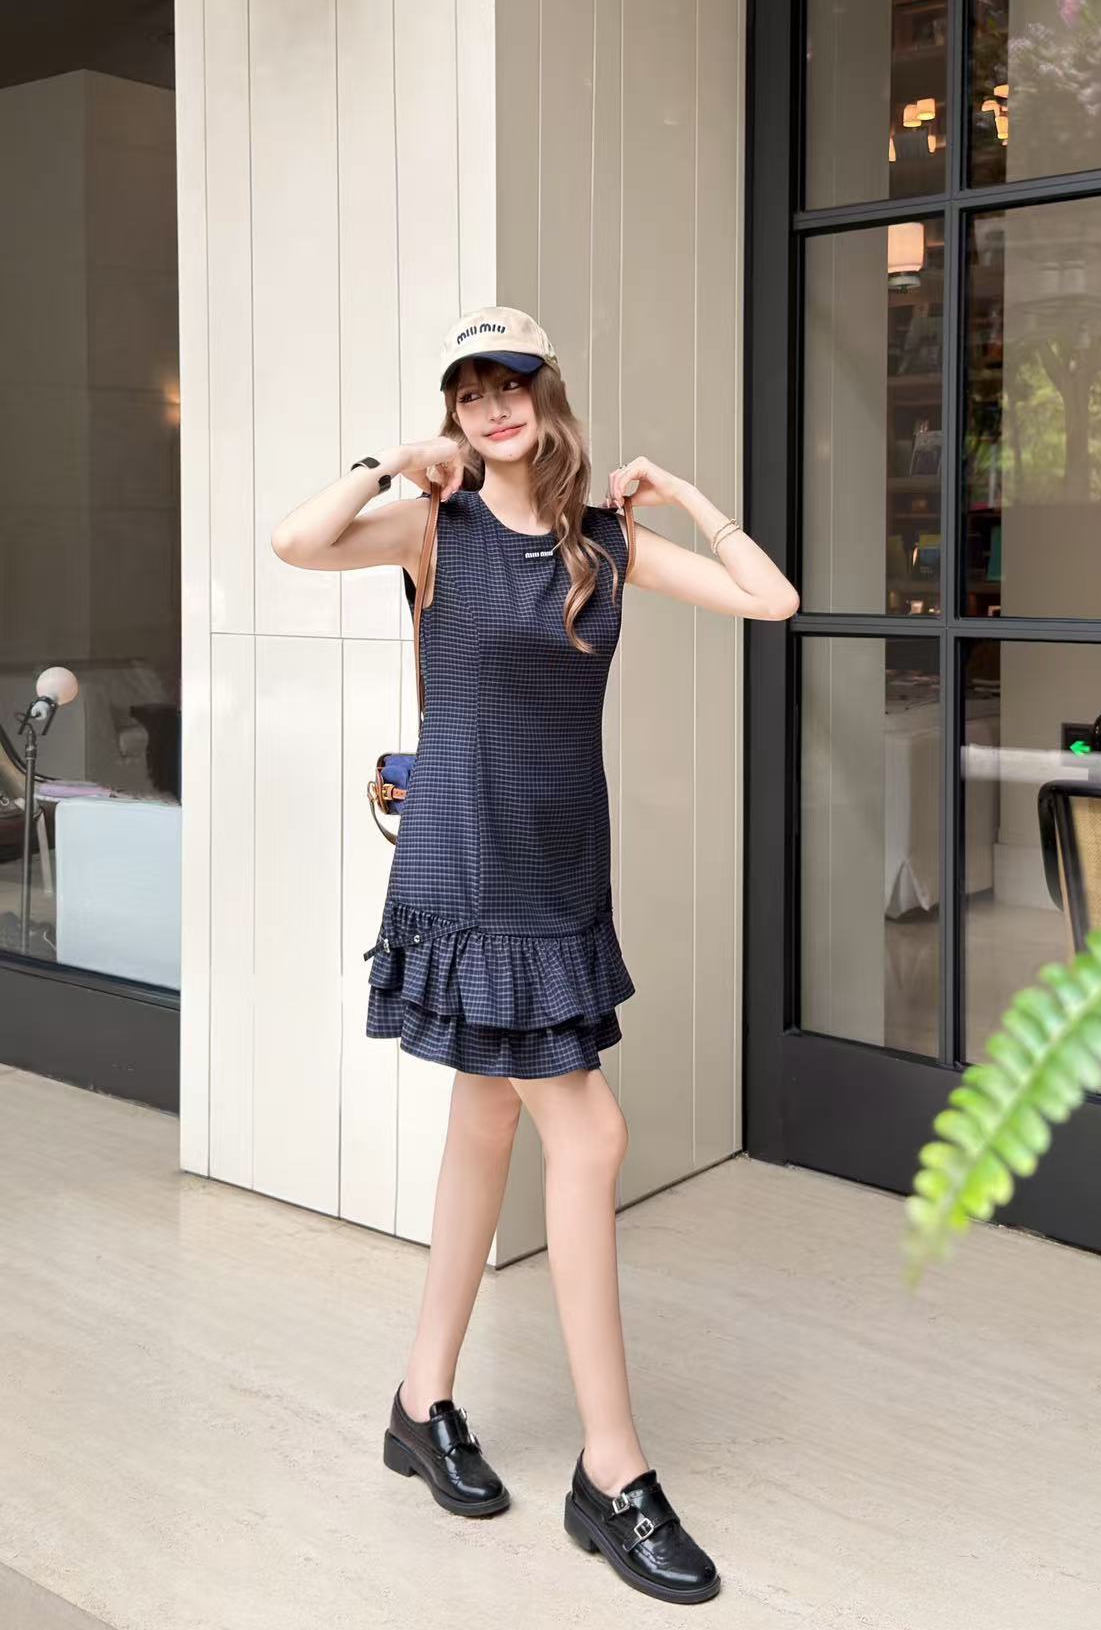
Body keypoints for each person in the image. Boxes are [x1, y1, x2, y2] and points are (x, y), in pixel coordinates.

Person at [270, 305, 799, 1605]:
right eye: (470, 392)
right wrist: (390, 461)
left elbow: (770, 598)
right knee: (591, 1134)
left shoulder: (604, 542)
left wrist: (683, 495)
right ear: (455, 413)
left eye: (510, 384)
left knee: (487, 1124)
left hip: (561, 862)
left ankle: (420, 1403)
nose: (493, 407)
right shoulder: (432, 528)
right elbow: (294, 542)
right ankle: (612, 1471)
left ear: (546, 396)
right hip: (467, 857)